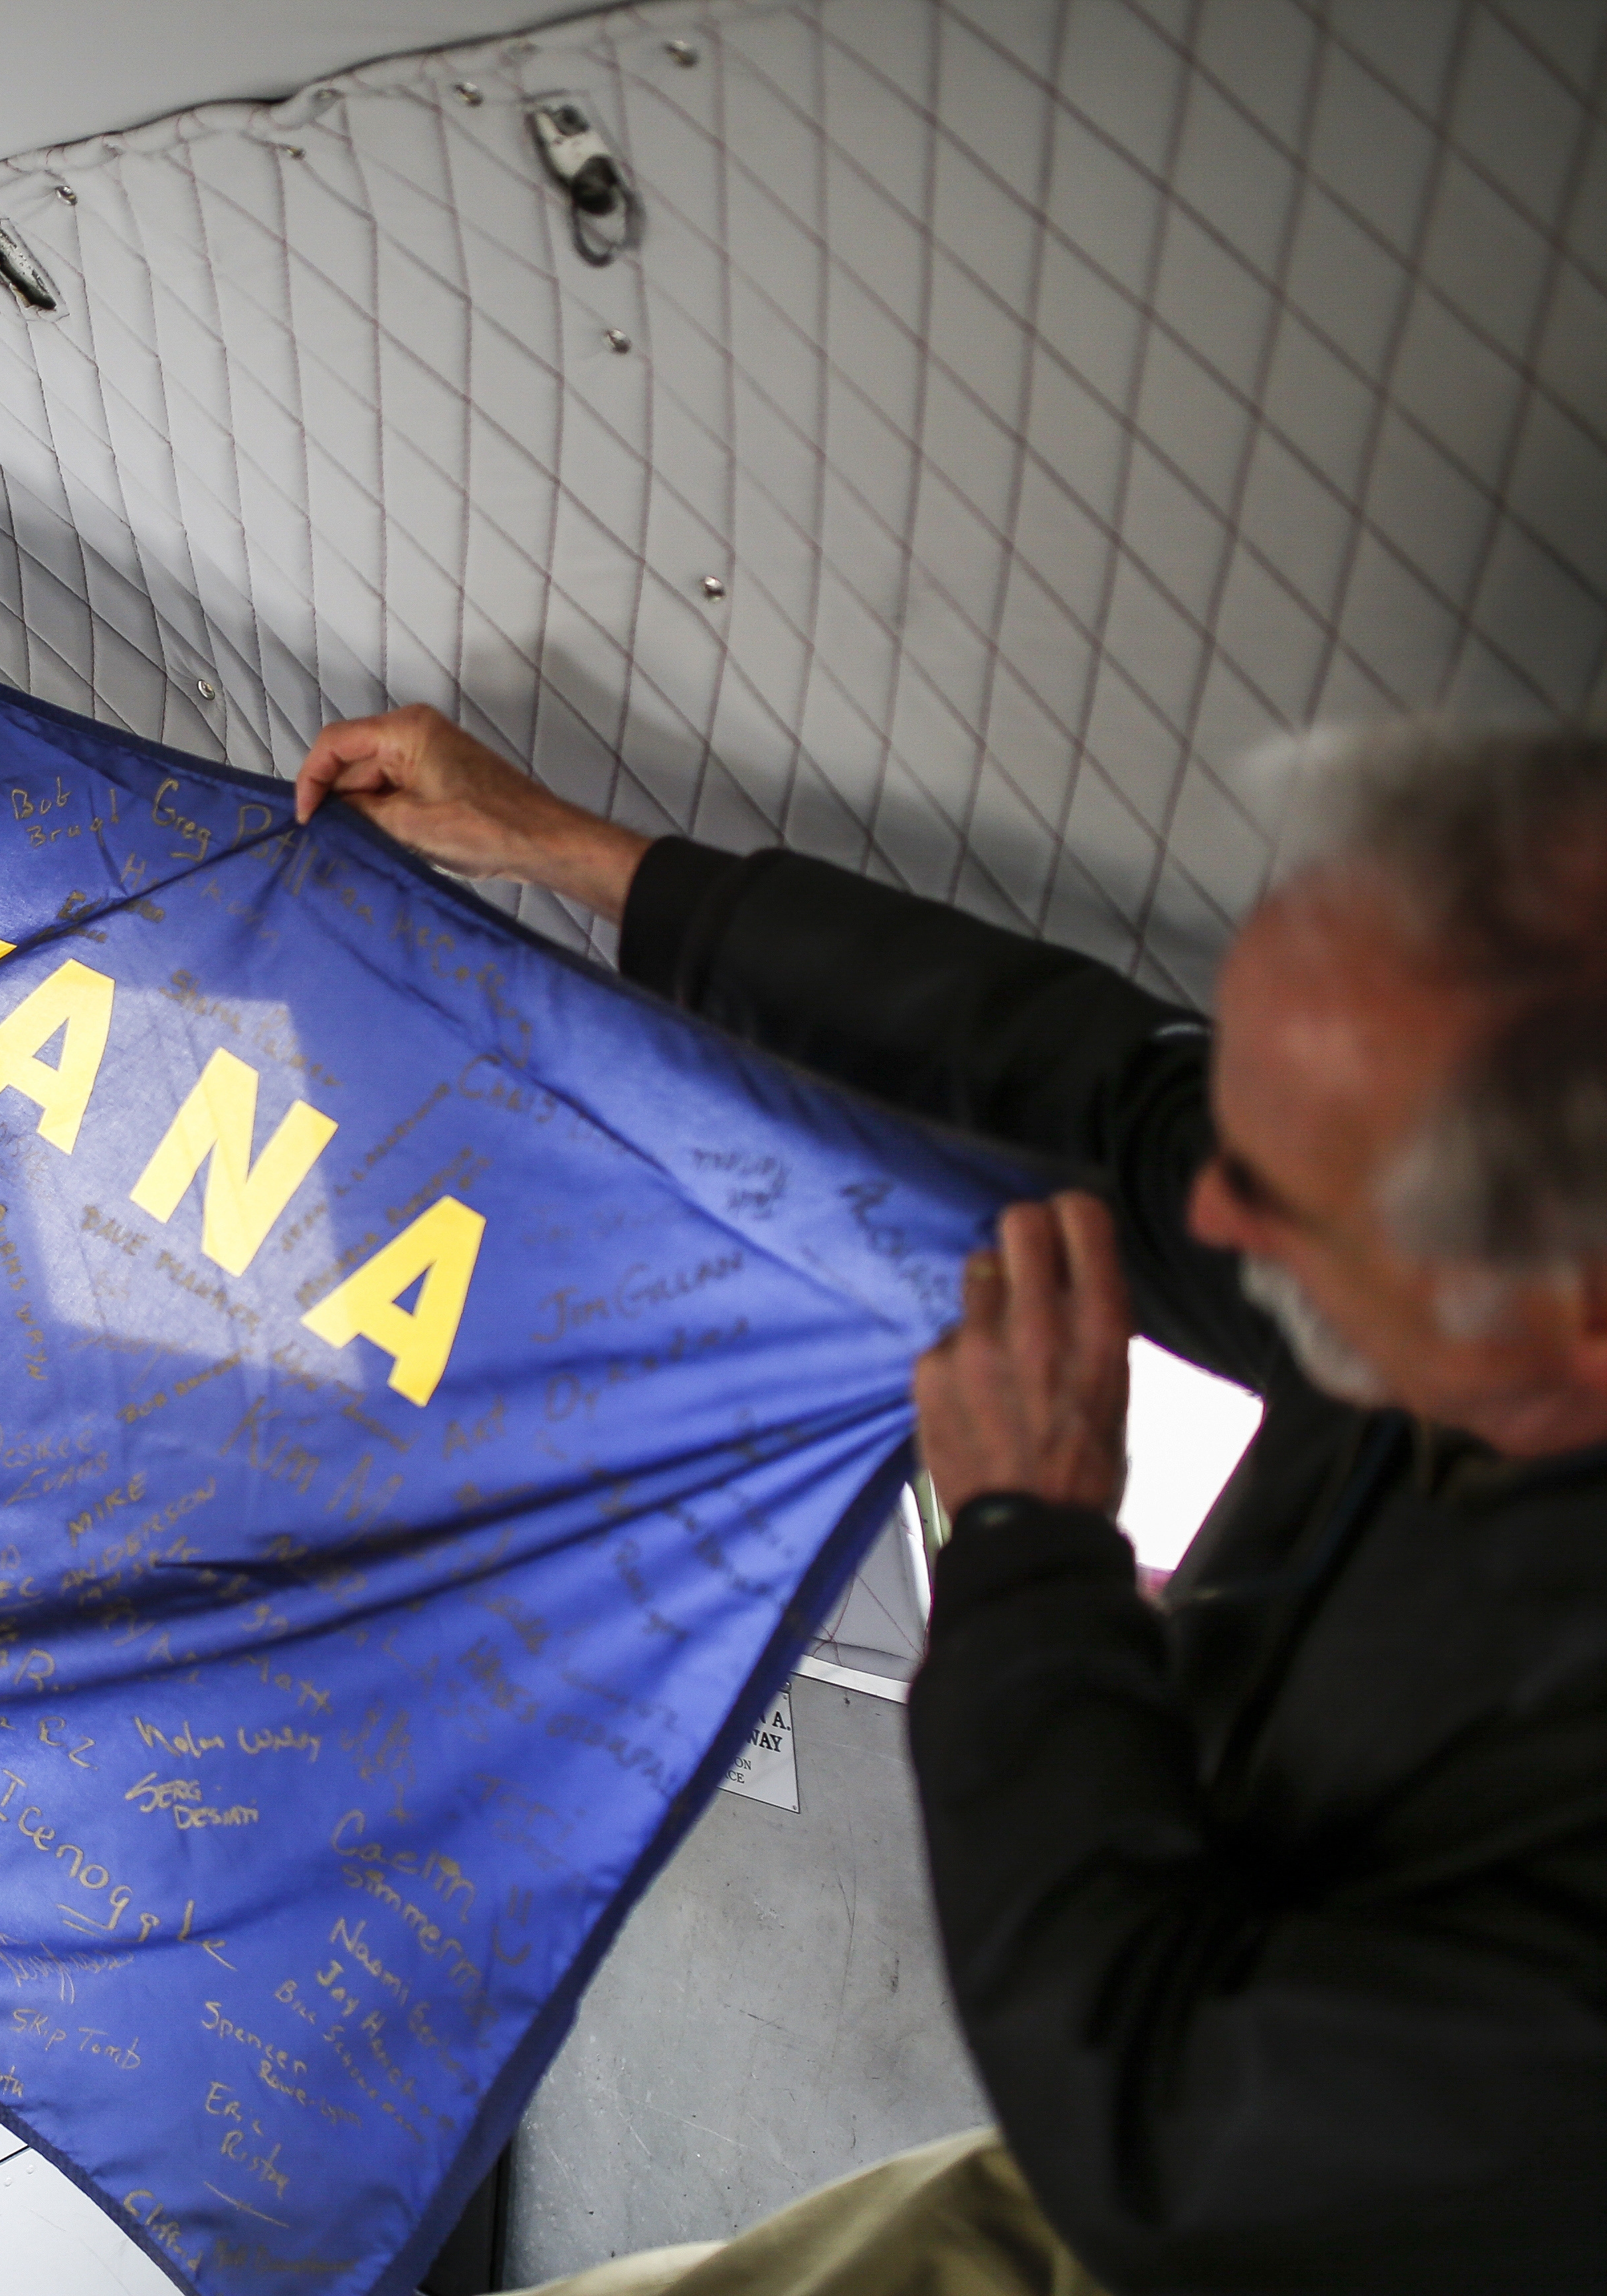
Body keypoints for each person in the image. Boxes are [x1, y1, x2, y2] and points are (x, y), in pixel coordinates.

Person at [296, 704, 1607, 2294]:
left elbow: (1163, 2137)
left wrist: (1027, 1569)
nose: (1202, 1209)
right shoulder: (1486, 1271)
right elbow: (1096, 1094)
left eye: (1275, 1193)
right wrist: (584, 858)